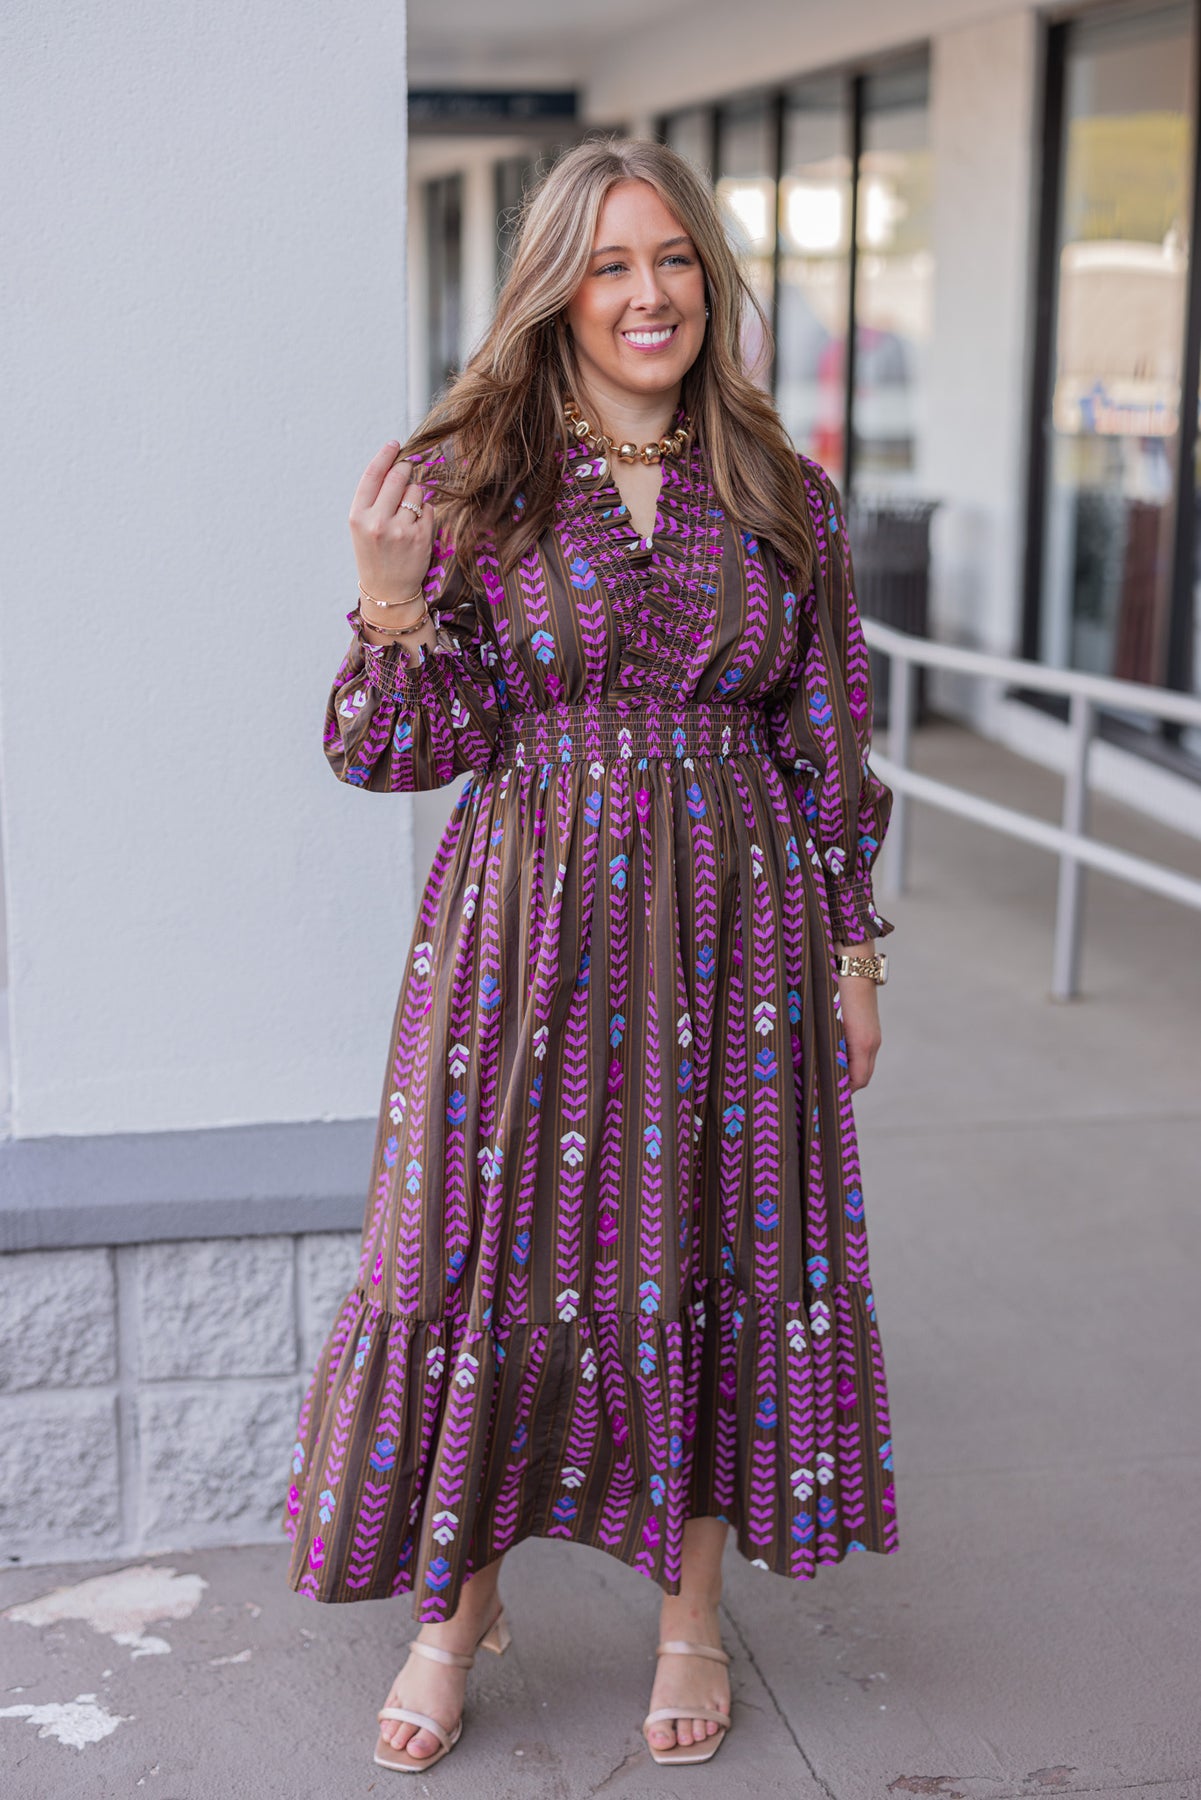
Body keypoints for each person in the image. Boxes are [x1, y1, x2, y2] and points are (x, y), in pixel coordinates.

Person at [284, 135, 898, 1774]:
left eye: (674, 260)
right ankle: (455, 1611)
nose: (648, 294)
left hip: (740, 932)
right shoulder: (472, 479)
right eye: (611, 263)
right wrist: (388, 601)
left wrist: (853, 947)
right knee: (493, 1257)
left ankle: (690, 1611)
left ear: (711, 280)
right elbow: (392, 750)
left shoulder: (782, 492)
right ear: (555, 289)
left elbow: (825, 731)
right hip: (525, 933)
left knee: (714, 1244)